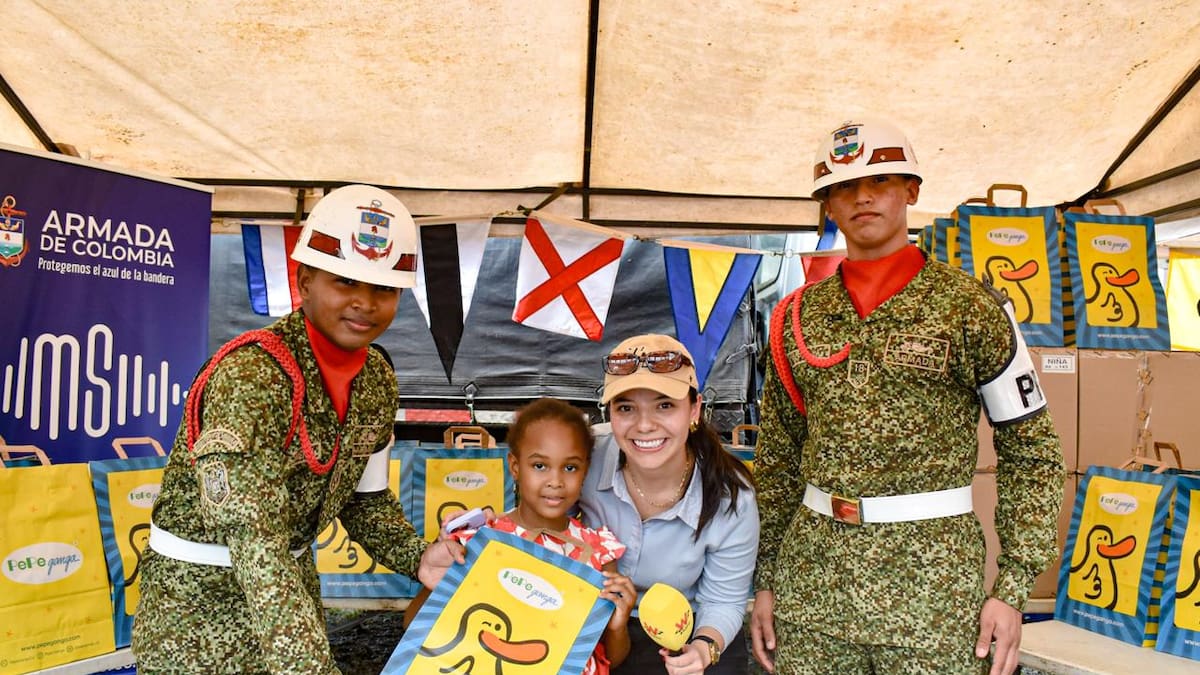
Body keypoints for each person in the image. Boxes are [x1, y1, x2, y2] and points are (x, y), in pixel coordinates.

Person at [750, 118, 1066, 675]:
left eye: (881, 181)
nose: (862, 196)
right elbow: (777, 460)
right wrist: (767, 579)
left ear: (911, 190)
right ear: (827, 204)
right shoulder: (796, 315)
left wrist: (1013, 588)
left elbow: (1032, 451)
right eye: (843, 186)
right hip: (814, 590)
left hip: (935, 596)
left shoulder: (972, 308)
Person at [132, 185, 462, 674]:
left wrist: (418, 557)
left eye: (383, 289)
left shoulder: (375, 379)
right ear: (304, 280)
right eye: (345, 282)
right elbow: (254, 537)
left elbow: (364, 499)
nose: (365, 304)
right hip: (195, 612)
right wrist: (308, 664)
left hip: (290, 593)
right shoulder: (252, 374)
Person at [581, 333, 759, 675]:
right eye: (626, 408)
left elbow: (724, 600)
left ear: (694, 409)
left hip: (685, 626)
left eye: (664, 405)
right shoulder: (582, 458)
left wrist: (704, 648)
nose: (645, 425)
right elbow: (532, 514)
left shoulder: (731, 498)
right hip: (596, 622)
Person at [445, 397, 638, 674]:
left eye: (570, 467)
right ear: (514, 466)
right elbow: (418, 626)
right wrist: (435, 581)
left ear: (585, 470)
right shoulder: (481, 539)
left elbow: (611, 658)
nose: (555, 481)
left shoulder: (597, 552)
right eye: (539, 466)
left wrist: (618, 624)